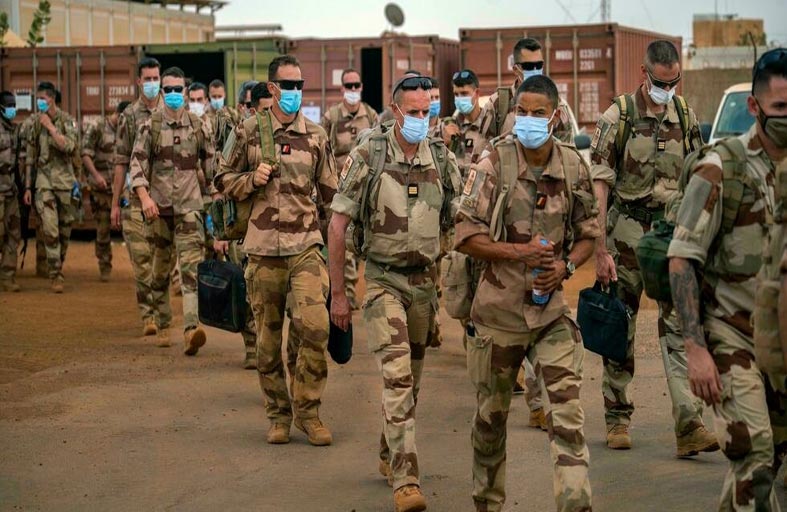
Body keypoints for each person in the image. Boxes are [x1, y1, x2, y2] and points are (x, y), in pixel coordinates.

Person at [455, 75, 596, 512]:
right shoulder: (492, 163)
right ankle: (487, 503)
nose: (529, 120)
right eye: (523, 112)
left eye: (539, 113)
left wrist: (565, 267)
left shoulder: (573, 166)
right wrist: (521, 253)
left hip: (550, 314)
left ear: (556, 117)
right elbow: (464, 236)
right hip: (499, 315)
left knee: (568, 419)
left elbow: (589, 233)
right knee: (490, 421)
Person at [329, 74, 461, 512]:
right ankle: (406, 479)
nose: (422, 119)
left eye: (428, 111)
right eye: (414, 112)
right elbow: (337, 225)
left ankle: (389, 451)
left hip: (425, 284)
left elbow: (463, 218)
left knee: (412, 384)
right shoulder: (369, 153)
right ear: (395, 110)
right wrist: (339, 295)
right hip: (383, 280)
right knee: (397, 378)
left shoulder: (440, 157)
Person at [668, 47, 787, 510]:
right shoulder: (722, 167)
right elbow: (682, 260)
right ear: (755, 107)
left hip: (780, 341)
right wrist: (696, 350)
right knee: (755, 453)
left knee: (770, 464)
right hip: (730, 335)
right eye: (780, 107)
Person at [589, 39, 716, 454]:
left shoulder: (685, 116)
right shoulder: (619, 116)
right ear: (644, 74)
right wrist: (600, 248)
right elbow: (600, 181)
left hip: (669, 236)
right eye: (661, 83)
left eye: (674, 82)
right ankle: (617, 418)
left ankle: (689, 423)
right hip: (626, 231)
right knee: (620, 324)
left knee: (678, 325)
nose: (667, 90)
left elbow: (698, 175)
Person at [215, 55, 337, 447]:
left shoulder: (316, 136)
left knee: (315, 327)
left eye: (300, 85)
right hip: (263, 250)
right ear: (272, 88)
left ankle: (308, 411)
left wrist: (341, 248)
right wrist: (251, 179)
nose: (295, 92)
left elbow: (332, 197)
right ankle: (278, 415)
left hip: (305, 248)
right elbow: (221, 178)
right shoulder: (249, 131)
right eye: (288, 85)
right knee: (267, 344)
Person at [129, 66, 216, 354]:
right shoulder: (150, 126)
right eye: (169, 90)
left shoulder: (199, 126)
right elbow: (136, 166)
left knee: (190, 271)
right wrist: (145, 199)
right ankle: (163, 323)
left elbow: (212, 169)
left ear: (186, 92)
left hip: (190, 208)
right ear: (162, 92)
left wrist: (215, 200)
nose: (174, 94)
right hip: (158, 209)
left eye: (179, 89)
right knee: (159, 271)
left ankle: (191, 329)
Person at [111, 56, 162, 336]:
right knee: (141, 260)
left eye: (156, 78)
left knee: (161, 261)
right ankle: (148, 315)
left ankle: (162, 310)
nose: (152, 83)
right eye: (148, 79)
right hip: (135, 199)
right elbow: (121, 162)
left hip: (166, 198)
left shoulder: (172, 111)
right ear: (139, 81)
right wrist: (114, 204)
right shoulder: (129, 116)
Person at [321, 68, 379, 311]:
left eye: (356, 85)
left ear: (361, 87)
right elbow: (322, 152)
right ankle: (344, 295)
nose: (353, 90)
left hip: (364, 192)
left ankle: (354, 295)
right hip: (339, 192)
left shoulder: (371, 116)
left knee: (359, 242)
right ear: (342, 88)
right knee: (340, 241)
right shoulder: (332, 117)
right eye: (349, 86)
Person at [23, 81, 79, 293]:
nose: (40, 103)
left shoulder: (67, 121)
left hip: (64, 183)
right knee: (50, 229)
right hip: (43, 183)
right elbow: (30, 156)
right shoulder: (35, 123)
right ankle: (55, 275)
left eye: (43, 99)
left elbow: (69, 146)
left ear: (52, 99)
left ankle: (58, 265)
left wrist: (51, 128)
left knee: (64, 232)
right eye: (37, 99)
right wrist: (28, 187)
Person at [479, 37, 575, 144]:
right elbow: (482, 147)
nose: (535, 70)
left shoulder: (556, 105)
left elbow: (566, 149)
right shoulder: (498, 104)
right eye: (528, 66)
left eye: (539, 65)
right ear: (516, 69)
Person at [81, 100, 129, 282]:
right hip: (101, 190)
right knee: (103, 231)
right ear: (118, 114)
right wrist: (96, 176)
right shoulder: (98, 127)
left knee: (131, 228)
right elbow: (85, 154)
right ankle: (104, 265)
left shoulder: (127, 130)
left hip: (122, 190)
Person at [439, 69, 494, 179]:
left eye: (464, 93)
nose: (459, 98)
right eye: (456, 94)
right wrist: (443, 143)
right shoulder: (447, 126)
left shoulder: (490, 124)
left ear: (476, 93)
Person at [0, 91, 21, 292]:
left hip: (11, 191)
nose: (12, 109)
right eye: (8, 105)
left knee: (14, 234)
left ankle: (7, 276)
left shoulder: (14, 130)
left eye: (14, 105)